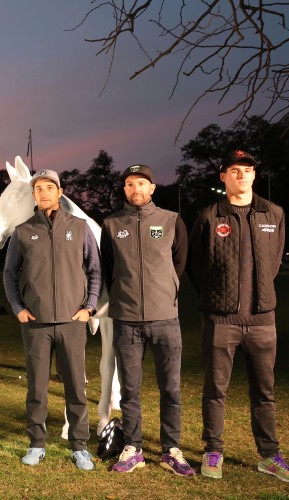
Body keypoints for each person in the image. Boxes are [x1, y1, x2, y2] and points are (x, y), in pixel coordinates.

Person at [188, 150, 289, 484]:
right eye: (235, 170)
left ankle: (269, 456)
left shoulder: (273, 212)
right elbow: (196, 267)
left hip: (262, 320)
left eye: (248, 170)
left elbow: (275, 261)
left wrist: (259, 296)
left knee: (264, 392)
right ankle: (213, 450)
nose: (242, 175)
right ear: (222, 176)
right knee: (215, 390)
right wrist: (217, 299)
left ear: (255, 176)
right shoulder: (209, 215)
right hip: (220, 320)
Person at [3, 169, 101, 471]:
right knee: (37, 388)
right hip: (36, 323)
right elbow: (9, 274)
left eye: (49, 187)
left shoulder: (80, 228)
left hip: (72, 321)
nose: (43, 192)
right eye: (38, 188)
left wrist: (90, 308)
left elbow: (95, 270)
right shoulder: (22, 231)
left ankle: (79, 446)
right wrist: (18, 307)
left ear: (60, 192)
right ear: (33, 195)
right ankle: (37, 443)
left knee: (75, 387)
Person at [100, 164, 194, 476]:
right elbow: (108, 265)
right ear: (124, 190)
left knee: (171, 389)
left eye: (141, 183)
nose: (135, 189)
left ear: (152, 188)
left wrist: (164, 290)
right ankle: (133, 448)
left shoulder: (171, 220)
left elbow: (179, 263)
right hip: (126, 320)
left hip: (165, 319)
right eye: (129, 184)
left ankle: (171, 449)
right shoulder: (112, 223)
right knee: (130, 390)